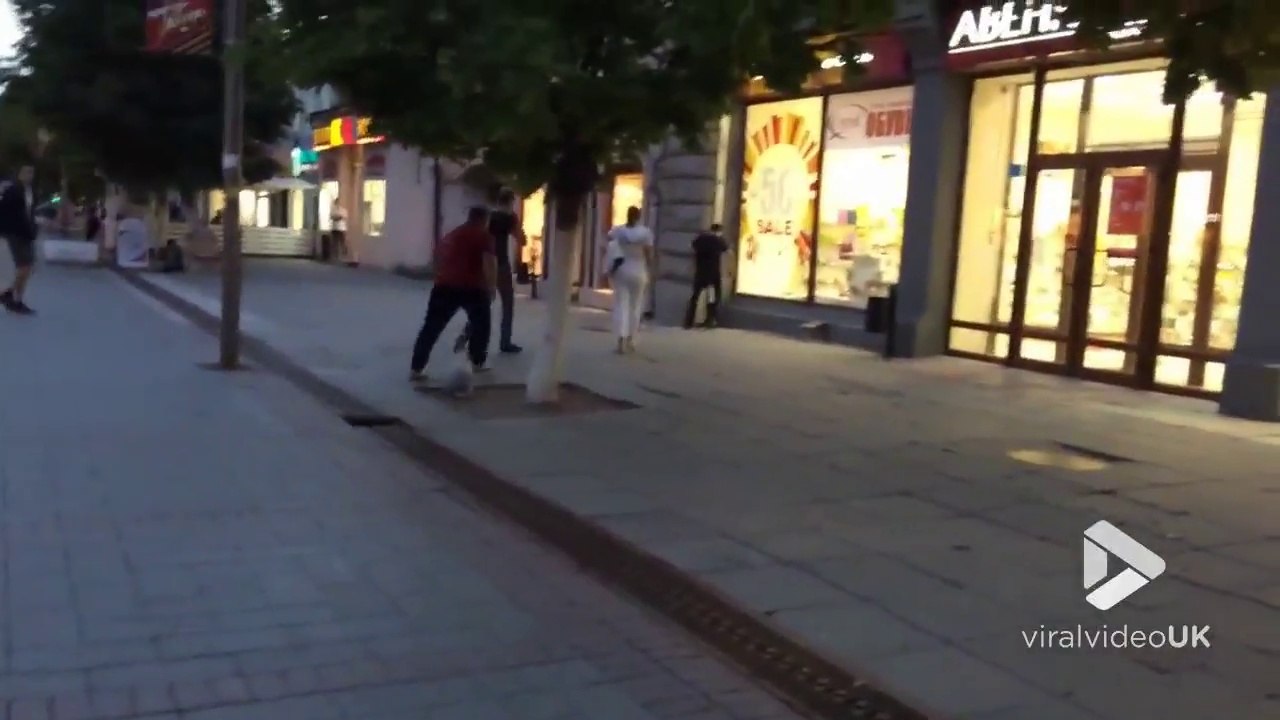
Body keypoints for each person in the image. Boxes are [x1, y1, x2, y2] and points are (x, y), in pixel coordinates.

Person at [410, 206, 497, 382]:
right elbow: (489, 262)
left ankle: (416, 368)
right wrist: (492, 287)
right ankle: (477, 361)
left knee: (431, 327)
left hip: (444, 286)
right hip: (473, 287)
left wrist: (440, 275)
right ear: (484, 220)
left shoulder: (452, 234)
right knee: (481, 325)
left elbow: (437, 258)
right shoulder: (483, 235)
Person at [454, 188, 525, 355]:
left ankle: (465, 335)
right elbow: (522, 240)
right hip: (501, 265)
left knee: (483, 304)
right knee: (507, 304)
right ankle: (505, 342)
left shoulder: (488, 217)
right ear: (510, 202)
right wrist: (517, 223)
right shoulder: (510, 219)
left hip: (484, 264)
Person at [605, 206, 653, 354]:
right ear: (639, 216)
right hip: (639, 270)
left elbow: (608, 239)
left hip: (623, 269)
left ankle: (621, 340)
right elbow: (648, 254)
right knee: (635, 306)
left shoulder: (619, 231)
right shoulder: (645, 233)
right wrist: (651, 270)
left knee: (621, 305)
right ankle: (631, 340)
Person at [0, 164, 39, 315]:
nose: (29, 175)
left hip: (27, 234)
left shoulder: (30, 191)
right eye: (26, 172)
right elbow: (3, 209)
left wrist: (33, 227)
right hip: (15, 233)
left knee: (27, 268)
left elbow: (29, 213)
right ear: (20, 174)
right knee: (24, 267)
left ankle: (14, 298)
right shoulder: (13, 190)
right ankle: (10, 296)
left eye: (31, 172)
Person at [684, 223, 730, 329]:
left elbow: (691, 247)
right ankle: (710, 319)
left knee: (695, 297)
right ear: (718, 231)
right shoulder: (718, 240)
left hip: (700, 272)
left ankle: (688, 321)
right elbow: (727, 250)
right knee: (712, 297)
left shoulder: (700, 239)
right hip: (713, 275)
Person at [330, 197, 350, 263]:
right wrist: (338, 217)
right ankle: (335, 257)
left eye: (338, 202)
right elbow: (332, 217)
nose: (337, 203)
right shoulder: (333, 210)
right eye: (336, 202)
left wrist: (338, 217)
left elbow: (344, 217)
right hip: (335, 228)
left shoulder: (343, 210)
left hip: (342, 228)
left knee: (343, 242)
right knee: (335, 243)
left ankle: (344, 256)